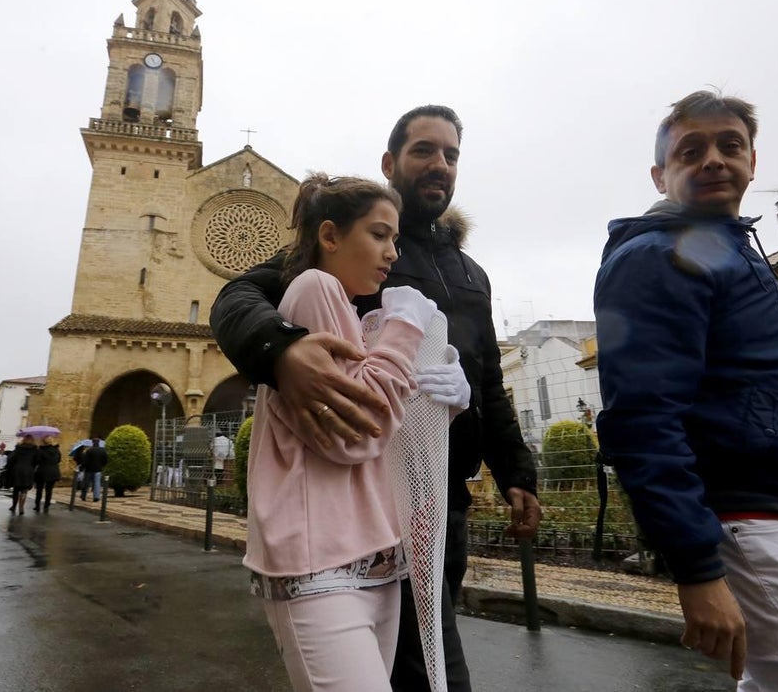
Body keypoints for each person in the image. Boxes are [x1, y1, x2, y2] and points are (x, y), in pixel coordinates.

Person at [210, 105, 541, 690]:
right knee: (434, 668)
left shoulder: (470, 272)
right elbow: (240, 296)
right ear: (391, 163)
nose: (440, 164)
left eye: (451, 154)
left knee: (429, 650)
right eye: (424, 151)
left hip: (443, 498)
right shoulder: (350, 251)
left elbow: (487, 375)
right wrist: (281, 350)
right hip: (370, 498)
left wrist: (516, 470)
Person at [593, 89, 778, 689]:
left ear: (753, 158)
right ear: (660, 173)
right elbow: (641, 420)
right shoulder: (659, 257)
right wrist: (697, 568)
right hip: (750, 525)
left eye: (731, 145)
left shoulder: (728, 249)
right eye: (690, 150)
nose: (714, 160)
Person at [244, 172, 444, 690]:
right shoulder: (316, 288)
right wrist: (404, 329)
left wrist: (444, 394)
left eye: (395, 239)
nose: (392, 253)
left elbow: (387, 434)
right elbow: (358, 433)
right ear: (330, 236)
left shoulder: (351, 313)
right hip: (319, 566)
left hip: (373, 560)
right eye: (379, 235)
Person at [7, 435, 38, 515]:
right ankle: (21, 508)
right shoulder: (35, 449)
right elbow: (37, 460)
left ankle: (14, 506)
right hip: (28, 471)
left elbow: (11, 459)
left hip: (17, 470)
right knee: (24, 490)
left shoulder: (18, 448)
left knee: (16, 490)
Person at [33, 436, 62, 513]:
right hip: (53, 471)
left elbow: (37, 460)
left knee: (39, 489)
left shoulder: (40, 450)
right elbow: (59, 459)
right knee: (49, 489)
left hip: (42, 471)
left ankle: (37, 505)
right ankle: (46, 504)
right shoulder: (56, 450)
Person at [79, 437, 108, 502]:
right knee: (97, 483)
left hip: (89, 469)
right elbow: (105, 460)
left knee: (86, 483)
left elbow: (85, 461)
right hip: (98, 469)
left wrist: (82, 467)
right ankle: (96, 496)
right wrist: (102, 466)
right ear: (99, 443)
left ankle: (83, 495)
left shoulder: (89, 450)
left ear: (92, 442)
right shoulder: (102, 451)